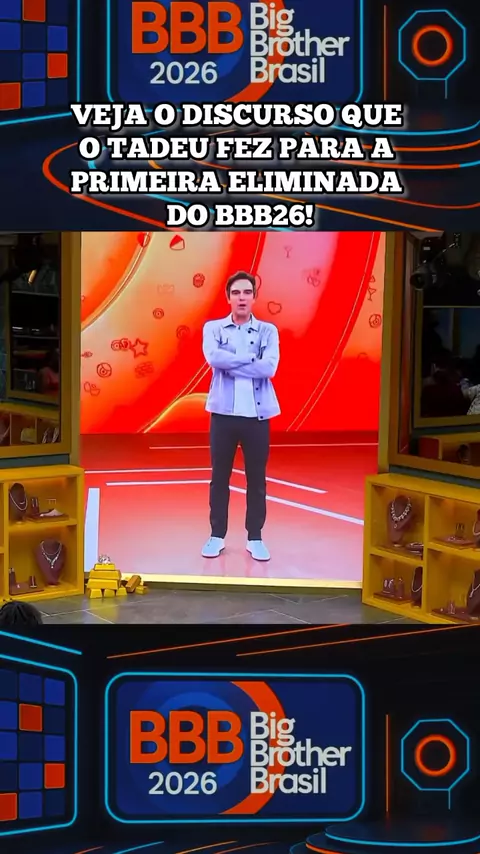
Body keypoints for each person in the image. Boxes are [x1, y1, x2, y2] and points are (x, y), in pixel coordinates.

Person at [201, 270, 280, 561]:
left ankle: (255, 537)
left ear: (254, 297)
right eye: (236, 293)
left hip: (257, 417)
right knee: (219, 477)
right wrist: (249, 359)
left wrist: (231, 362)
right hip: (223, 415)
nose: (242, 298)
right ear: (228, 298)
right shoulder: (213, 328)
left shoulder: (268, 331)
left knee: (256, 479)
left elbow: (269, 368)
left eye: (247, 292)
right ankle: (216, 535)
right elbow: (214, 358)